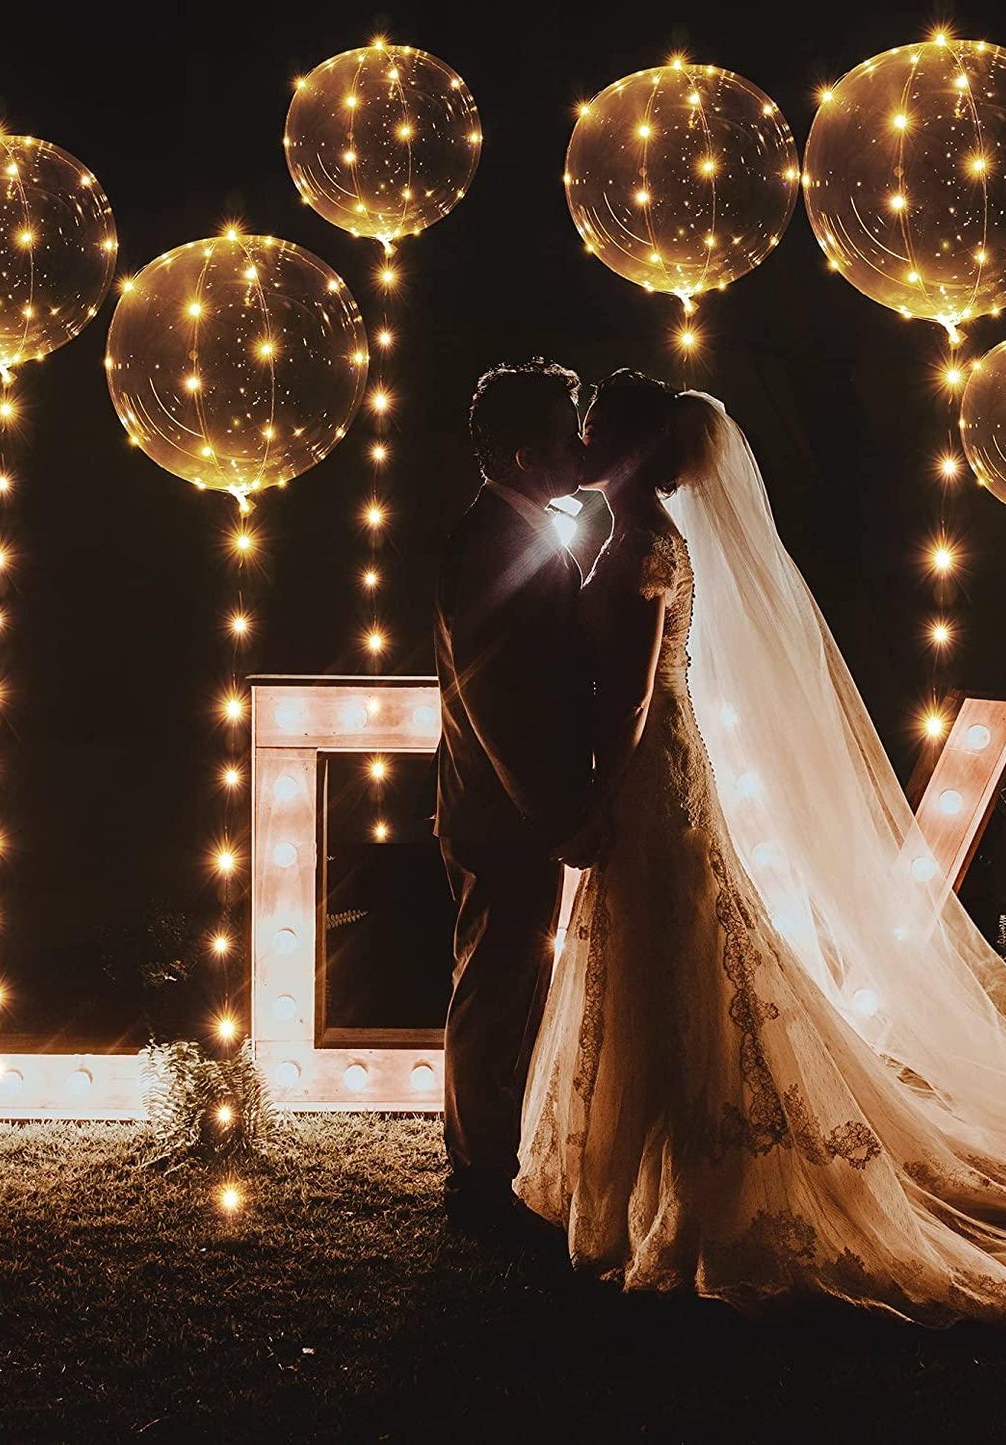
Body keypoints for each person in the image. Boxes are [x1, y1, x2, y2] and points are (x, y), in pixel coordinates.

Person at [516, 371, 1006, 1327]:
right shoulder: (642, 539)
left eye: (597, 427)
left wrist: (593, 797)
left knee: (676, 953)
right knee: (672, 953)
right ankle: (658, 1161)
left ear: (635, 451)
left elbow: (632, 699)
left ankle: (686, 1168)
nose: (582, 438)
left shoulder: (641, 550)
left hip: (649, 779)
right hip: (660, 774)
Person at [433, 359, 607, 1243]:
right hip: (500, 812)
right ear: (521, 451)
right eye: (566, 430)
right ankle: (477, 1178)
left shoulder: (520, 531)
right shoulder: (491, 544)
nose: (581, 446)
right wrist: (555, 814)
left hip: (510, 809)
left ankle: (495, 1162)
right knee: (494, 986)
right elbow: (498, 699)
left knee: (508, 982)